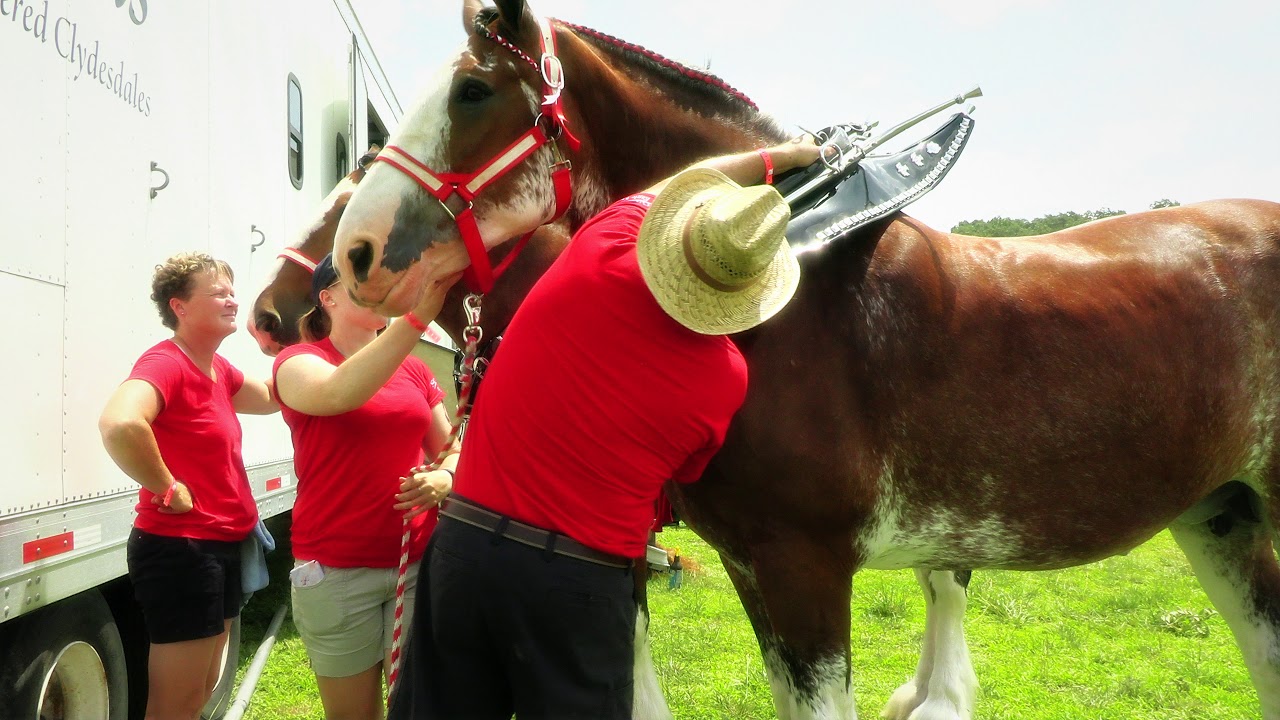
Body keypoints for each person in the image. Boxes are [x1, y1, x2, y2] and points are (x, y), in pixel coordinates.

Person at [388, 137, 824, 719]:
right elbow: (685, 473)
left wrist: (782, 156)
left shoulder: (606, 241)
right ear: (745, 291)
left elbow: (690, 173)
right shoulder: (726, 378)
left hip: (465, 547)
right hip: (580, 581)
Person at [272, 253, 459, 720]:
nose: (384, 289)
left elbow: (451, 446)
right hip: (336, 573)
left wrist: (445, 477)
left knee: (420, 708)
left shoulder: (415, 369)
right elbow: (338, 393)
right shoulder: (298, 362)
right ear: (327, 298)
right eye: (364, 280)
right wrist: (416, 319)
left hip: (415, 564)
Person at [99, 253, 278, 720]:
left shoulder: (219, 371)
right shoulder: (167, 362)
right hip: (182, 550)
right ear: (179, 307)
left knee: (200, 691)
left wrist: (302, 351)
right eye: (218, 292)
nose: (232, 299)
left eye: (232, 290)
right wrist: (166, 486)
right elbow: (120, 423)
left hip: (219, 547)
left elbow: (276, 397)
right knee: (175, 704)